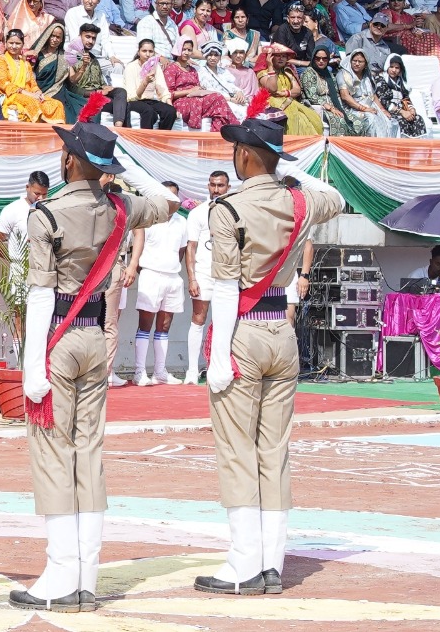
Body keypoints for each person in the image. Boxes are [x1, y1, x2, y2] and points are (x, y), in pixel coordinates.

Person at [11, 120, 177, 613]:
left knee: (54, 455)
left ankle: (61, 572)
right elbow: (168, 203)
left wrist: (33, 366)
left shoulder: (48, 214)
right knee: (89, 451)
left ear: (67, 162)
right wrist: (125, 168)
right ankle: (86, 574)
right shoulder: (120, 209)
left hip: (59, 336)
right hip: (94, 336)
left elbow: (40, 294)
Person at [196, 102, 345, 596]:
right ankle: (273, 563)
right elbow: (336, 198)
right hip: (282, 331)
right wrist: (286, 166)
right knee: (274, 452)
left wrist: (217, 358)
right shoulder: (300, 203)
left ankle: (243, 564)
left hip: (241, 333)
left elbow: (223, 286)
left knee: (238, 452)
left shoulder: (229, 208)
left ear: (243, 155)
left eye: (239, 147)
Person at [128, 184, 188, 386]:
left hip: (173, 277)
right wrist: (145, 270)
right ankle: (139, 372)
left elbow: (181, 251)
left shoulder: (182, 221)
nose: (170, 200)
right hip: (151, 275)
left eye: (173, 197)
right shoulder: (148, 220)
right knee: (145, 325)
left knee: (164, 326)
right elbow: (137, 246)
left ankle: (160, 372)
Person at [184, 171, 233, 384]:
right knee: (198, 319)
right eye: (213, 185)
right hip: (203, 273)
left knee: (224, 322)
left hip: (226, 275)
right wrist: (192, 278)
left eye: (220, 185)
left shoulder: (234, 212)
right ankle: (192, 371)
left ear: (228, 187)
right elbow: (191, 247)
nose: (216, 189)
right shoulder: (198, 213)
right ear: (207, 186)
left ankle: (218, 368)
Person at [165, 39, 237, 131]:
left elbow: (196, 88)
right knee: (217, 99)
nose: (186, 53)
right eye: (184, 49)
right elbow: (168, 94)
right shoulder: (171, 69)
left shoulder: (192, 70)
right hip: (180, 102)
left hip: (196, 98)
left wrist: (200, 91)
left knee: (218, 100)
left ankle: (218, 133)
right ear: (178, 49)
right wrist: (189, 91)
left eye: (189, 50)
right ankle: (231, 130)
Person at [0, 28, 65, 123]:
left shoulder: (25, 63)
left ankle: (53, 134)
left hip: (29, 94)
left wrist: (38, 93)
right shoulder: (0, 60)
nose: (14, 46)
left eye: (18, 43)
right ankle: (35, 133)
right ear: (6, 43)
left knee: (57, 104)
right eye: (11, 43)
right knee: (32, 103)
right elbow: (3, 83)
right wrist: (29, 94)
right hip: (10, 95)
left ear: (23, 45)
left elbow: (33, 83)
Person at [258, 44, 324, 136]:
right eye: (278, 55)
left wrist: (283, 93)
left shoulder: (287, 72)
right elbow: (272, 88)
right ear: (270, 57)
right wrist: (270, 67)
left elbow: (297, 90)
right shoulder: (263, 72)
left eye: (284, 56)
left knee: (310, 118)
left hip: (290, 102)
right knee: (292, 117)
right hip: (272, 105)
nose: (281, 58)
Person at [0, 171, 51, 265]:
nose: (40, 198)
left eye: (44, 194)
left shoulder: (50, 209)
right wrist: (14, 260)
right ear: (27, 188)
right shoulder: (12, 209)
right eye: (37, 193)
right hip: (20, 270)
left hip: (43, 269)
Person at [123, 39, 176, 130]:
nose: (147, 54)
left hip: (149, 100)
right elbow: (131, 96)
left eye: (150, 51)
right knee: (149, 111)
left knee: (170, 111)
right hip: (134, 101)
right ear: (139, 52)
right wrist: (145, 82)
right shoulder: (131, 67)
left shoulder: (155, 67)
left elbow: (162, 88)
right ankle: (146, 140)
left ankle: (162, 139)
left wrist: (169, 104)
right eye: (144, 51)